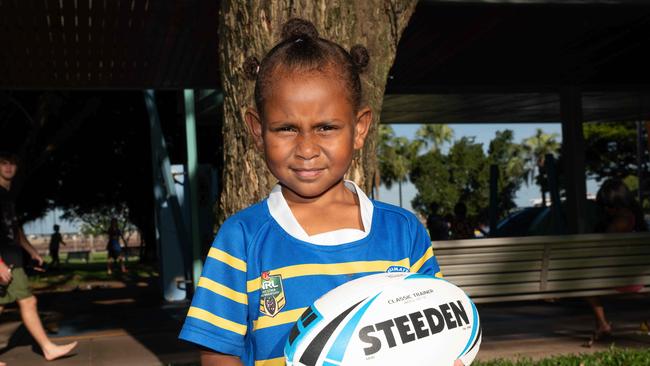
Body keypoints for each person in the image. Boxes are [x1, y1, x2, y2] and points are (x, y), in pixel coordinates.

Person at [178, 19, 464, 366]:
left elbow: (436, 326)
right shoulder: (241, 239)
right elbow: (217, 351)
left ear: (359, 129)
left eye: (326, 127)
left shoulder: (403, 232)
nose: (307, 149)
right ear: (257, 131)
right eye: (286, 129)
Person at [0, 152, 77, 362]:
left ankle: (47, 348)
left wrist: (31, 251)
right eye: (3, 163)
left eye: (12, 163)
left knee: (25, 302)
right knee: (26, 301)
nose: (8, 167)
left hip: (12, 256)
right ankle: (47, 348)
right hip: (3, 259)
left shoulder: (7, 195)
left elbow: (14, 230)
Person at [585, 178, 648, 344]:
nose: (608, 210)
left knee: (585, 281)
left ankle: (602, 324)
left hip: (620, 279)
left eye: (610, 206)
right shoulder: (637, 219)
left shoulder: (619, 223)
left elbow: (602, 251)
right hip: (641, 277)